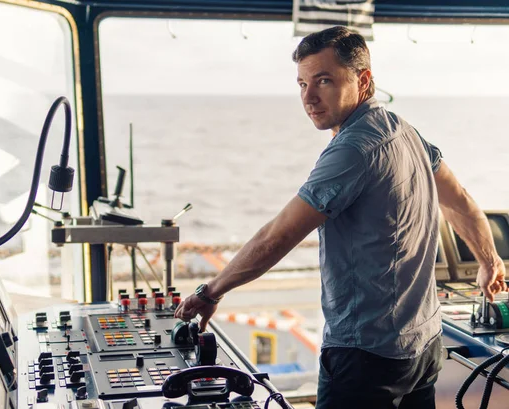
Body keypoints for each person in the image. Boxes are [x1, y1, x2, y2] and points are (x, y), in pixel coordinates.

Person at [174, 26, 507, 408]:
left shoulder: (352, 150)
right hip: (423, 346)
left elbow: (277, 237)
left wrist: (210, 292)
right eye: (301, 84)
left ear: (363, 80)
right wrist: (489, 260)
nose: (309, 97)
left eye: (324, 81)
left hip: (365, 357)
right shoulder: (404, 131)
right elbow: (460, 201)